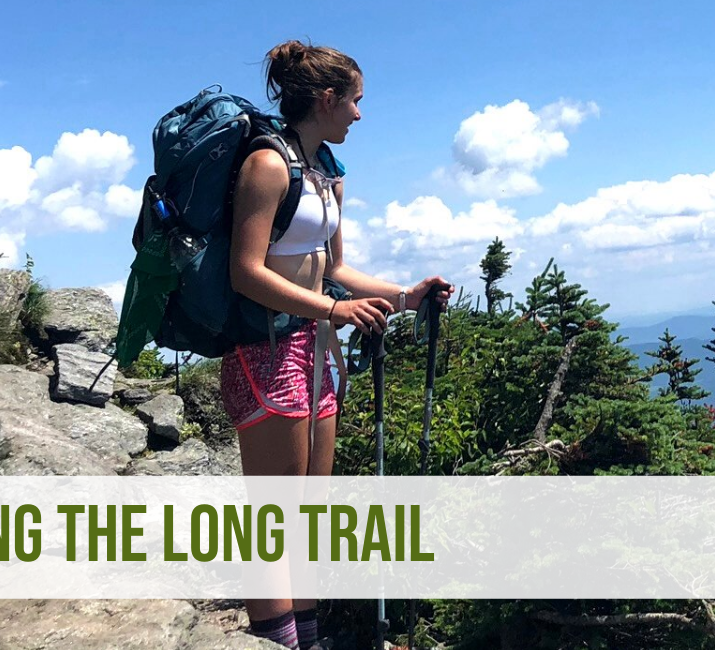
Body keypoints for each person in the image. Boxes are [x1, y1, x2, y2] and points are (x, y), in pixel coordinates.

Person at [222, 39, 453, 650]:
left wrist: (407, 296)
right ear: (326, 99)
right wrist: (331, 309)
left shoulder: (327, 175)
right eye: (355, 101)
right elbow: (245, 271)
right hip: (265, 348)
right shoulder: (267, 166)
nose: (359, 114)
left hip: (317, 351)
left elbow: (335, 269)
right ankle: (279, 642)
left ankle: (309, 639)